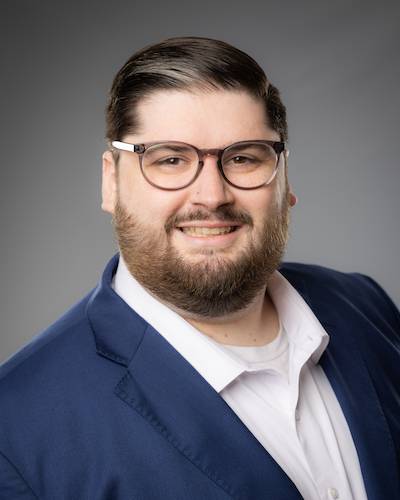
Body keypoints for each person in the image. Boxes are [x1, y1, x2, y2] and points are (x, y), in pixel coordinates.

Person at [0, 37, 399, 500]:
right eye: (170, 160)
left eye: (244, 157)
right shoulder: (16, 428)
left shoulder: (365, 306)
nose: (212, 196)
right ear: (111, 183)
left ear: (285, 177)